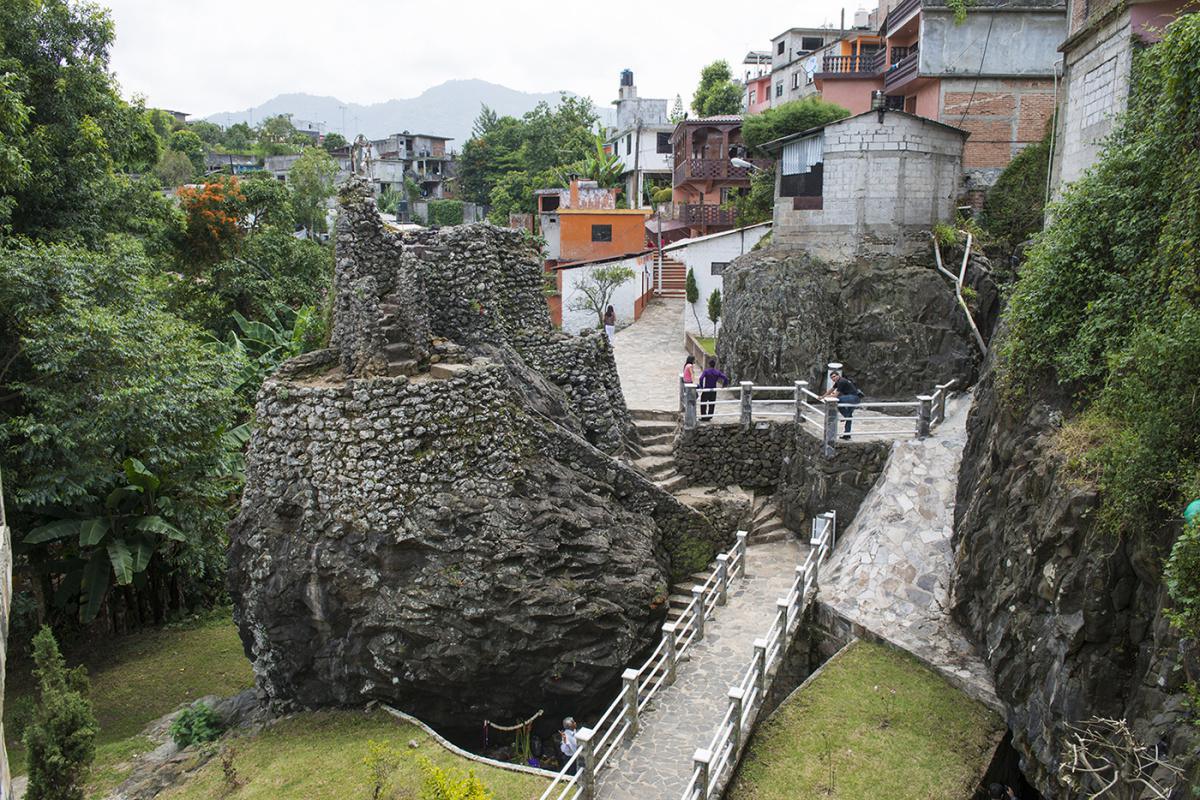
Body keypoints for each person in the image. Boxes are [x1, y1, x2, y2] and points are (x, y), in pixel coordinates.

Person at [822, 370, 862, 440]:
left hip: (853, 398)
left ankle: (845, 415)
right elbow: (831, 390)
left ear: (838, 376)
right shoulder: (838, 382)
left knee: (838, 400)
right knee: (849, 417)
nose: (833, 379)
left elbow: (835, 395)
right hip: (854, 399)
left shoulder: (841, 381)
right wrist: (823, 396)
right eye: (832, 378)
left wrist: (826, 397)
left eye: (834, 376)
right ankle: (847, 435)